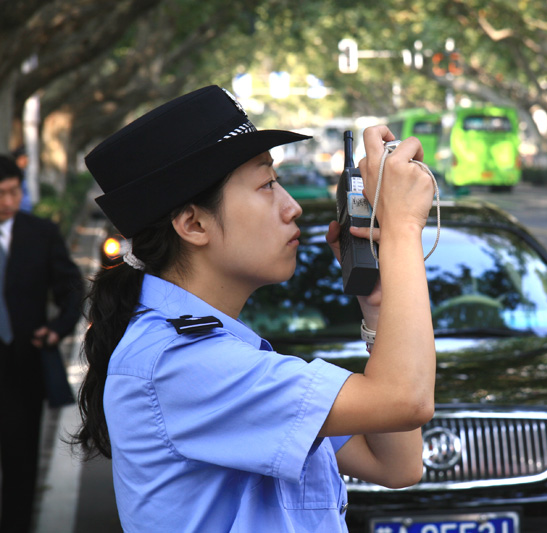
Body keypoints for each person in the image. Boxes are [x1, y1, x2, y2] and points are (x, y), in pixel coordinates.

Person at [74, 85, 436, 532]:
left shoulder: (224, 352)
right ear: (193, 223)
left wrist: (377, 306)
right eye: (266, 184)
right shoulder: (182, 363)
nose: (293, 208)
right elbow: (407, 400)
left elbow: (396, 465)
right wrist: (402, 226)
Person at [0, 155, 84, 532]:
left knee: (20, 461)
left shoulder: (39, 233)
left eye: (13, 192)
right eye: (0, 194)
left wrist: (58, 328)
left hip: (24, 366)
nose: (7, 201)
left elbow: (71, 286)